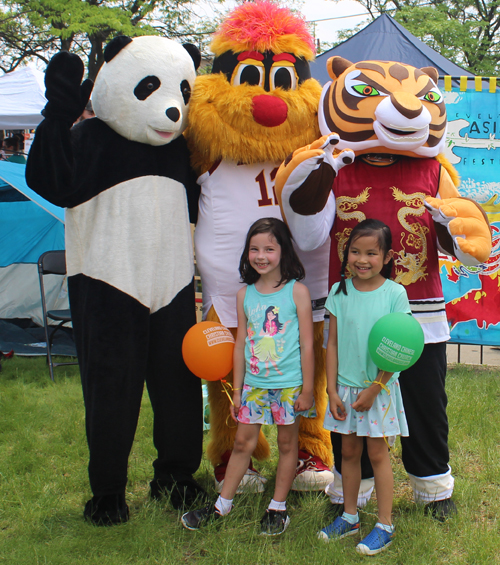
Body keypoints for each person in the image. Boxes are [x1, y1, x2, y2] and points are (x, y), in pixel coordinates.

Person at [181, 217, 315, 535]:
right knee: (242, 443)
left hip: (288, 387)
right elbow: (241, 343)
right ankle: (221, 505)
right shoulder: (245, 296)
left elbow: (308, 345)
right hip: (254, 387)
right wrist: (238, 390)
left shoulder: (298, 293)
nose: (261, 255)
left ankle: (277, 507)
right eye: (254, 248)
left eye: (269, 248)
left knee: (286, 444)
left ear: (283, 251)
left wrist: (307, 388)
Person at [317, 219, 411, 556]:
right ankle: (350, 516)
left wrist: (375, 387)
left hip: (379, 391)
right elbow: (332, 344)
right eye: (355, 251)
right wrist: (331, 391)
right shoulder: (339, 292)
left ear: (386, 257)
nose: (362, 259)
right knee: (348, 453)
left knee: (377, 454)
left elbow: (400, 346)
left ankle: (384, 524)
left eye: (371, 252)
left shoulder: (395, 294)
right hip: (345, 389)